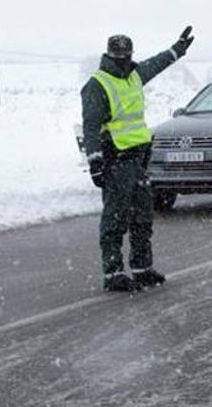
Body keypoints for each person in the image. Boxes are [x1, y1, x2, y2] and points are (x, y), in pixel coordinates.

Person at [81, 26, 195, 292]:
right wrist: (96, 162)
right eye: (119, 55)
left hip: (138, 159)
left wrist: (176, 50)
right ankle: (113, 274)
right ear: (110, 55)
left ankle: (142, 268)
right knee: (115, 219)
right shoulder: (97, 85)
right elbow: (90, 127)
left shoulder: (133, 76)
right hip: (116, 160)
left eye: (126, 54)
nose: (123, 59)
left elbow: (156, 64)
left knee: (143, 216)